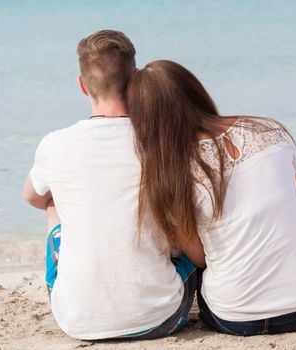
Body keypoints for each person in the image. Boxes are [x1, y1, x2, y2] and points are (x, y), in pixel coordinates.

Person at [126, 60, 296, 336]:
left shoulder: (171, 174)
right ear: (196, 91)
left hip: (234, 318)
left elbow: (200, 260)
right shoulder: (270, 131)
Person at [22, 32, 203, 340]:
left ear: (82, 84)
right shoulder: (157, 142)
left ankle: (92, 294)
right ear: (135, 78)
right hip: (162, 317)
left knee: (53, 199)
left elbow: (32, 198)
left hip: (77, 321)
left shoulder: (55, 144)